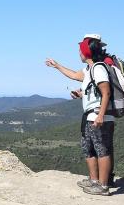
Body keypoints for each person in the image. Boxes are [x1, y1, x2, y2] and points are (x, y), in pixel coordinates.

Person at [45, 34, 115, 196]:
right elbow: (75, 76)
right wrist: (57, 66)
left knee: (102, 150)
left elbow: (106, 93)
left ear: (86, 52)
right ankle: (94, 180)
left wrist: (101, 116)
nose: (79, 53)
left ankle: (103, 186)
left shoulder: (98, 68)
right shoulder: (90, 70)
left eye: (80, 50)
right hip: (90, 115)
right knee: (88, 148)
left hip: (99, 116)